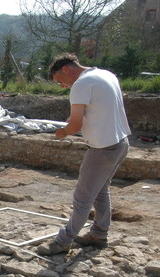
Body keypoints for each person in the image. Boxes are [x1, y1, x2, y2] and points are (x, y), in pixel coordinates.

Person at [37, 53, 131, 256]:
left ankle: (63, 242)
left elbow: (75, 125)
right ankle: (98, 234)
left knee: (83, 197)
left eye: (60, 81)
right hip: (120, 142)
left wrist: (63, 131)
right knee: (100, 190)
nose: (62, 86)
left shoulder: (81, 84)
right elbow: (100, 109)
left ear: (66, 69)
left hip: (103, 147)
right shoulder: (105, 74)